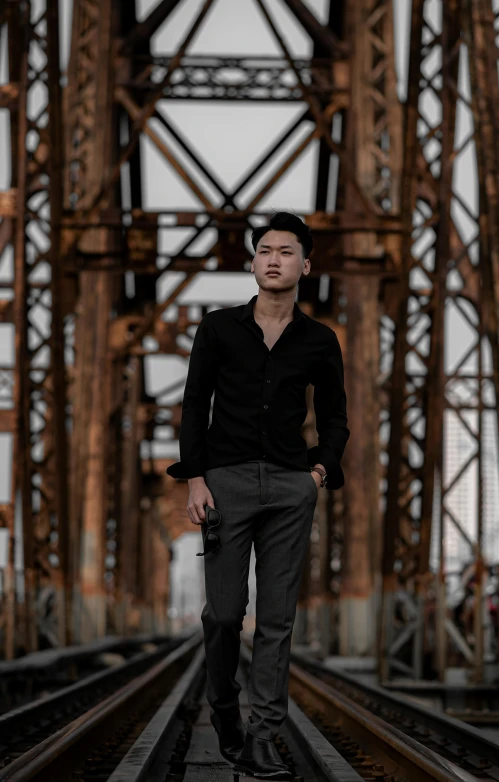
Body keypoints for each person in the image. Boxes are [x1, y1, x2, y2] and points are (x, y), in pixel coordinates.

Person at [167, 211, 350, 779]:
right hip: (228, 483)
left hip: (292, 487)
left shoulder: (320, 339)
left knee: (277, 620)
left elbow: (338, 418)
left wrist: (317, 474)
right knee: (223, 616)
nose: (274, 259)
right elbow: (195, 405)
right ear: (253, 261)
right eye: (265, 249)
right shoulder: (218, 329)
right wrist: (197, 478)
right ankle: (225, 711)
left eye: (286, 251)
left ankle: (264, 735)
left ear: (305, 265)